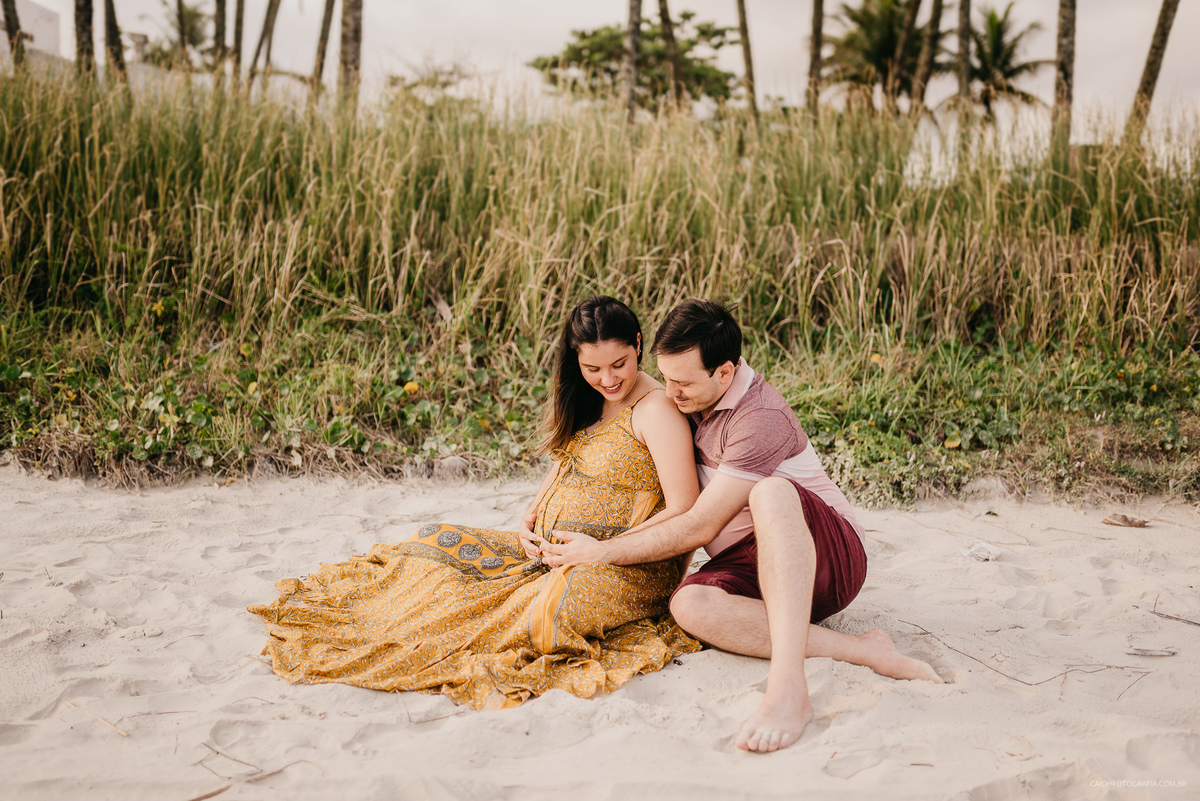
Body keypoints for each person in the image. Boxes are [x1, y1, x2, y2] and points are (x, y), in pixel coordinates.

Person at [249, 296, 701, 710]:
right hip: (552, 553)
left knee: (551, 608)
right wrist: (531, 518)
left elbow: (683, 507)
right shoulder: (591, 401)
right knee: (435, 540)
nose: (607, 379)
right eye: (592, 369)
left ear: (639, 344)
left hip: (626, 564)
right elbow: (566, 467)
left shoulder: (655, 409)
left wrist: (602, 549)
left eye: (618, 364)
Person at [543, 299, 941, 752]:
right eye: (665, 378)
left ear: (725, 373)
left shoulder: (759, 418)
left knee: (769, 491)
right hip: (749, 560)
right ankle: (864, 649)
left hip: (827, 557)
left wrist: (603, 550)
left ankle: (789, 691)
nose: (668, 393)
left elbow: (699, 525)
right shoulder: (689, 388)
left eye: (681, 384)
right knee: (688, 605)